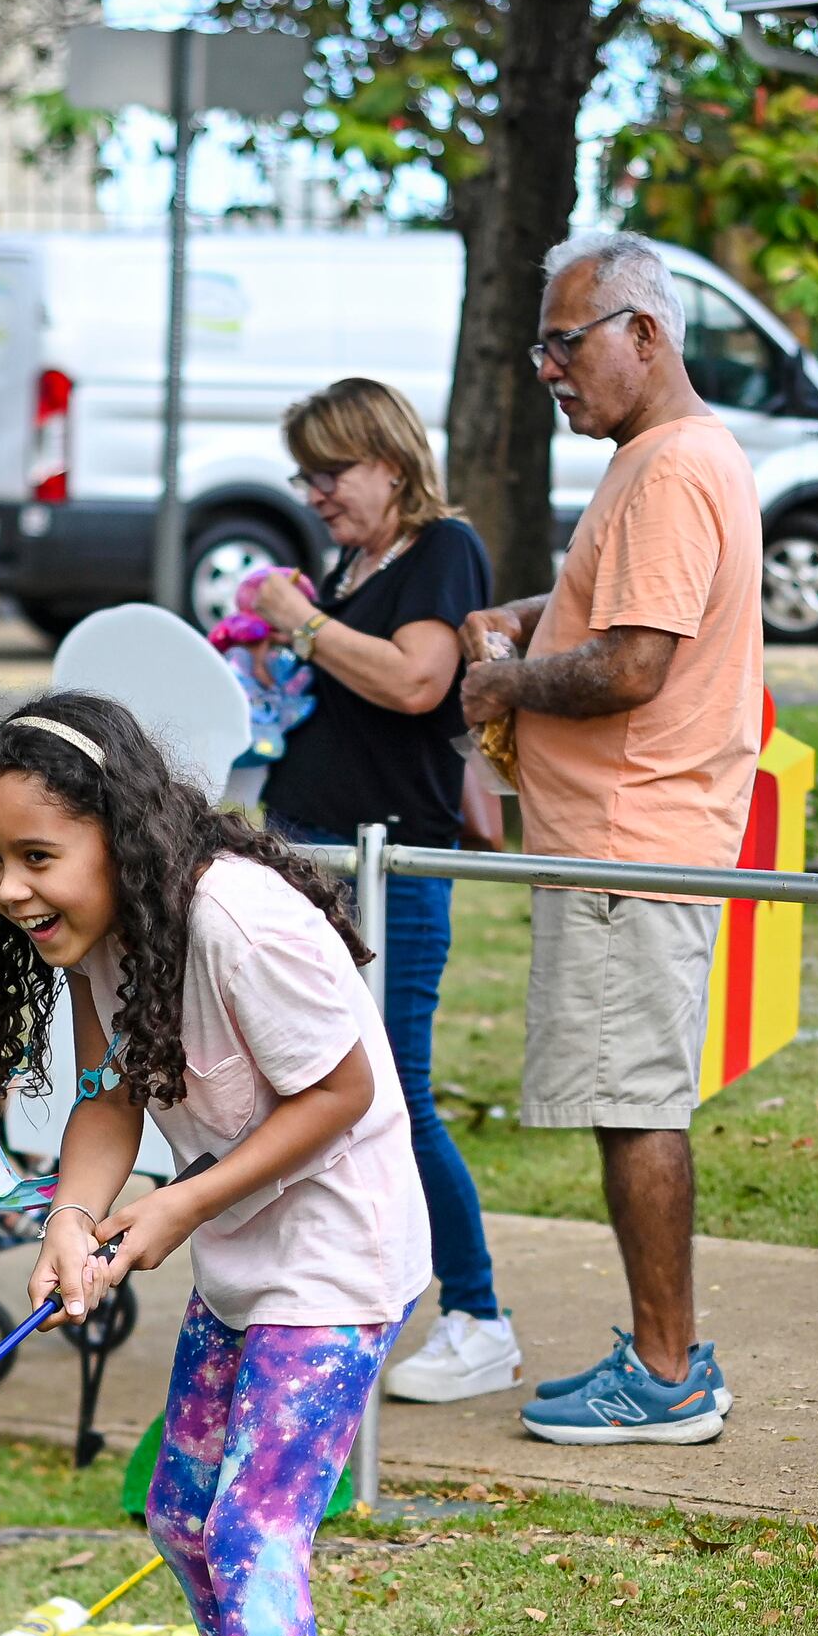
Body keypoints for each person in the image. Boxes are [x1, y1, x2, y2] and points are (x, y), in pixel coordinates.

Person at [0, 690, 429, 1636]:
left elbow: (342, 1090)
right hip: (248, 1251)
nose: (9, 889)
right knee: (180, 1513)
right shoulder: (112, 925)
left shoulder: (234, 916)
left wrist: (172, 1206)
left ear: (116, 831)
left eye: (36, 857)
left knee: (254, 1534)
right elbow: (117, 1094)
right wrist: (71, 1216)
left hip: (331, 1262)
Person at [458, 232, 763, 1446]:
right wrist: (532, 612)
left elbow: (634, 663)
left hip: (631, 844)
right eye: (538, 345)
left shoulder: (673, 465)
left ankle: (668, 1372)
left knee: (637, 1104)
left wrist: (504, 685)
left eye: (563, 341)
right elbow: (627, 602)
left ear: (644, 333)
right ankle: (660, 1352)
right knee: (625, 1096)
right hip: (623, 842)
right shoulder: (659, 457)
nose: (546, 368)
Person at [242, 376, 518, 1403]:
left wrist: (299, 623)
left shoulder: (443, 549)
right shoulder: (353, 561)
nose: (315, 492)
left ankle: (478, 1313)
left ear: (389, 463)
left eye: (331, 471)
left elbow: (414, 680)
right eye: (303, 474)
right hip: (310, 855)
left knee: (396, 1093)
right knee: (308, 1089)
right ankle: (333, 1291)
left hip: (382, 865)